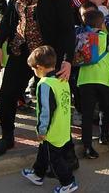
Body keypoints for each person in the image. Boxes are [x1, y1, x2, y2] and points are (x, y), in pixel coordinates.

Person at [0, 0, 75, 157]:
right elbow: (9, 21)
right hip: (21, 52)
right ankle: (7, 137)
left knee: (53, 104)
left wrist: (67, 60)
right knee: (6, 96)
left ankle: (65, 151)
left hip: (48, 56)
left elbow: (67, 29)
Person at [21, 46, 78, 193]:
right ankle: (38, 174)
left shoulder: (44, 84)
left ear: (39, 67)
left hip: (51, 130)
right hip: (63, 128)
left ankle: (68, 182)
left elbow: (45, 111)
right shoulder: (62, 80)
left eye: (33, 69)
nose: (34, 72)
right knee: (44, 151)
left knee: (55, 159)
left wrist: (41, 130)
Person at [77, 10, 109, 159]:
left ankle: (87, 146)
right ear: (102, 23)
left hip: (85, 80)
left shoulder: (80, 37)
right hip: (103, 79)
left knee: (87, 113)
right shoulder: (107, 38)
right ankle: (104, 135)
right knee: (105, 108)